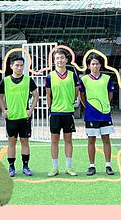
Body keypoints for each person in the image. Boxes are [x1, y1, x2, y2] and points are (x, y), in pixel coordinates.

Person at [0, 52, 38, 177]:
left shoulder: (28, 80)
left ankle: (26, 166)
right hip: (11, 118)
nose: (19, 68)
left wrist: (30, 110)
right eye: (17, 65)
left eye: (21, 65)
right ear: (11, 66)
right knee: (12, 142)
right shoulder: (5, 81)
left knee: (25, 141)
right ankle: (11, 167)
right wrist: (4, 110)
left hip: (24, 117)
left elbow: (36, 96)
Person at [45, 48, 81, 176]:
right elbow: (48, 95)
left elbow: (76, 91)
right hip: (55, 113)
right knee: (54, 140)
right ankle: (55, 168)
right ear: (54, 61)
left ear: (66, 59)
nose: (60, 60)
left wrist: (70, 102)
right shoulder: (50, 76)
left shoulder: (72, 75)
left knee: (68, 140)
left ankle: (68, 167)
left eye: (62, 58)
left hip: (68, 113)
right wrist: (50, 109)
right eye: (57, 58)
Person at [79, 54, 116, 176]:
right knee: (91, 140)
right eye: (92, 64)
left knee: (106, 139)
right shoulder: (84, 80)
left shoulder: (107, 78)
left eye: (97, 64)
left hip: (105, 114)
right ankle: (92, 166)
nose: (95, 66)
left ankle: (108, 165)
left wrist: (104, 106)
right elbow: (82, 97)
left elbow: (110, 94)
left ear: (100, 65)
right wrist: (90, 107)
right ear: (89, 66)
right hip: (91, 115)